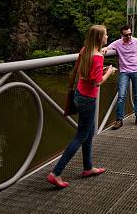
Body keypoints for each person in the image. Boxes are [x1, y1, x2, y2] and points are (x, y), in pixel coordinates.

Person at [47, 25, 116, 188]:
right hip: (88, 100)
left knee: (89, 132)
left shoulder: (85, 50)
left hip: (79, 94)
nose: (108, 37)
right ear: (100, 38)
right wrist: (109, 72)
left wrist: (101, 70)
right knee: (80, 136)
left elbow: (86, 72)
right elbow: (97, 82)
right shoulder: (98, 57)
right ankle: (55, 173)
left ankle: (88, 167)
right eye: (106, 35)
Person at [103, 25, 137, 129]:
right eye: (126, 35)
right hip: (124, 72)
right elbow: (108, 47)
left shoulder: (136, 41)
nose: (128, 36)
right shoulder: (118, 43)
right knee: (121, 96)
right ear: (121, 35)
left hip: (136, 71)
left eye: (130, 34)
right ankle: (119, 120)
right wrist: (105, 48)